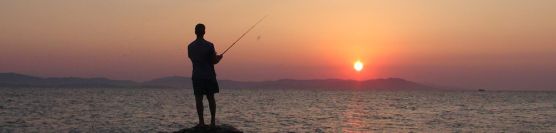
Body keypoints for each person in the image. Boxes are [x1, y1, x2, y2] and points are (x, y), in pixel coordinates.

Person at [187, 23, 223, 128]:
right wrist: (219, 57)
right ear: (204, 32)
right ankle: (212, 122)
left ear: (195, 32)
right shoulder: (210, 45)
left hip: (197, 76)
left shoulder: (190, 47)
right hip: (209, 76)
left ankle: (201, 122)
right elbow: (214, 61)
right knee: (211, 98)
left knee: (198, 99)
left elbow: (193, 58)